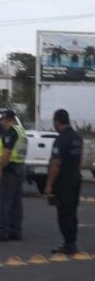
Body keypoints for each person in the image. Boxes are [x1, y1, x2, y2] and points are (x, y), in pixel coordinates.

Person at [44, 109, 83, 255]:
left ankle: (69, 244)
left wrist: (49, 185)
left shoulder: (61, 139)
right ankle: (71, 242)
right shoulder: (77, 137)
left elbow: (56, 163)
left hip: (64, 181)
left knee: (64, 213)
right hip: (75, 179)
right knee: (72, 212)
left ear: (57, 121)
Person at [0, 109, 28, 243]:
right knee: (16, 202)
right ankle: (15, 230)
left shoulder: (10, 132)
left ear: (7, 120)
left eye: (3, 120)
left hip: (9, 169)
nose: (2, 123)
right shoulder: (21, 131)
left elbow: (7, 152)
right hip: (20, 167)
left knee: (3, 201)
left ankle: (1, 232)